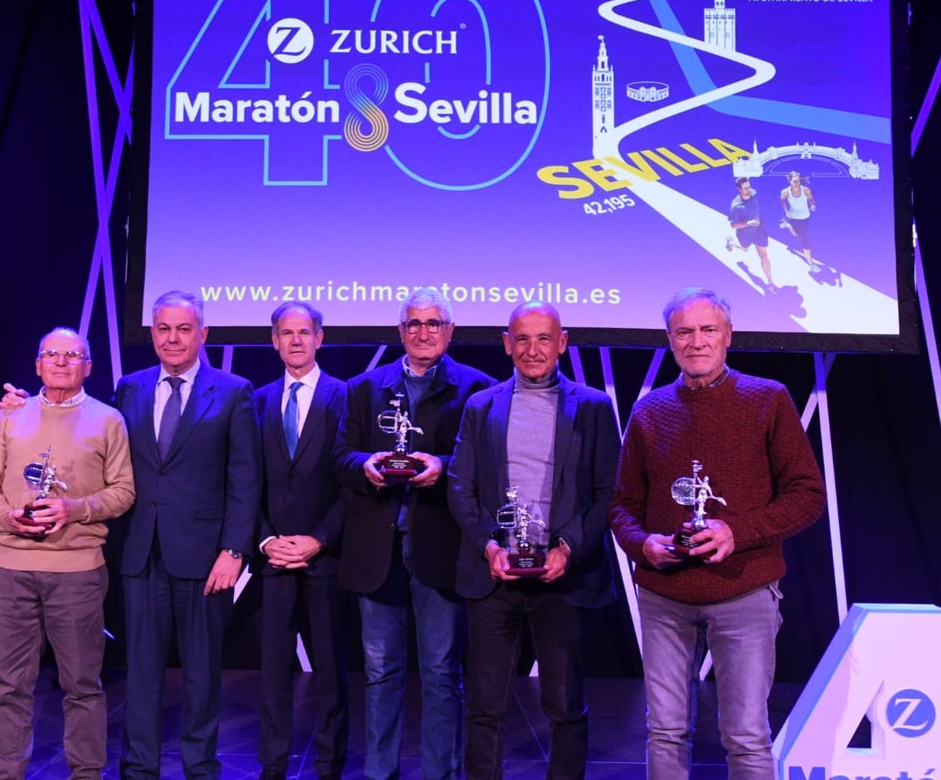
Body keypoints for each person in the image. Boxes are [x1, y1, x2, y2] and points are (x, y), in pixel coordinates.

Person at [610, 288, 825, 779]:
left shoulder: (767, 399)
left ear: (728, 336)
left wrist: (737, 531)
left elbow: (807, 494)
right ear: (670, 340)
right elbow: (622, 506)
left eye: (708, 330)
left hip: (744, 590)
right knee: (664, 732)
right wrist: (642, 544)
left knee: (747, 736)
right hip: (665, 594)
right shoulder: (649, 411)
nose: (697, 341)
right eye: (684, 331)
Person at [448, 302, 620, 780]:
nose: (532, 349)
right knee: (484, 705)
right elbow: (460, 485)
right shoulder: (481, 406)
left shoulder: (593, 407)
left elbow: (609, 491)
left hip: (564, 579)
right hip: (495, 577)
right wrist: (490, 546)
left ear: (562, 342)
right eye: (521, 339)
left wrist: (568, 549)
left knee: (564, 705)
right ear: (507, 345)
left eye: (544, 338)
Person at [334, 286, 494, 780]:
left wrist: (441, 467)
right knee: (380, 673)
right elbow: (341, 457)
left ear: (450, 331)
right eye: (414, 324)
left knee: (443, 674)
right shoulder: (364, 387)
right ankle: (380, 773)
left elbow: (486, 467)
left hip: (441, 548)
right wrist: (369, 465)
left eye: (434, 323)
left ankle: (440, 774)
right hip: (376, 550)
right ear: (400, 332)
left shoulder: (478, 388)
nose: (423, 333)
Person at [0, 328, 135, 780]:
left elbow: (123, 492)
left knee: (82, 684)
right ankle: (7, 773)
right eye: (52, 355)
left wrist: (74, 509)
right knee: (9, 684)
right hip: (13, 567)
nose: (62, 362)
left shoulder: (108, 420)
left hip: (77, 571)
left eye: (73, 355)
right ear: (38, 365)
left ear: (88, 367)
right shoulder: (11, 414)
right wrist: (7, 517)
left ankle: (86, 773)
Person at [114, 290, 261, 780]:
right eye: (163, 329)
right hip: (140, 552)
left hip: (205, 559)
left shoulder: (234, 391)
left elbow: (245, 478)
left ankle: (200, 768)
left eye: (183, 329)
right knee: (141, 674)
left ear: (203, 334)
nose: (172, 339)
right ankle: (138, 769)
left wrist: (233, 550)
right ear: (153, 333)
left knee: (201, 675)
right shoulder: (129, 388)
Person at [253, 302, 348, 780]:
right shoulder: (258, 400)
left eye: (304, 332)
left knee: (331, 676)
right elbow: (245, 481)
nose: (295, 341)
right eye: (286, 333)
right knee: (273, 676)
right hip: (273, 561)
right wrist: (267, 539)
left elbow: (353, 485)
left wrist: (318, 540)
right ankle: (272, 767)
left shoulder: (345, 396)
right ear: (274, 340)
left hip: (324, 560)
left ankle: (329, 767)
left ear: (319, 338)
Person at [724, 177, 777, 293]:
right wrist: (748, 223)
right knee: (745, 249)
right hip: (745, 233)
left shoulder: (754, 193)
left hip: (759, 229)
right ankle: (731, 243)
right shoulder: (736, 206)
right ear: (739, 189)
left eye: (749, 186)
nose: (749, 190)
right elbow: (733, 225)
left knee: (764, 256)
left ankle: (770, 281)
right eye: (745, 188)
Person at [779, 171, 821, 274]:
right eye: (794, 181)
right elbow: (782, 201)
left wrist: (812, 205)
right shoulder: (785, 192)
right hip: (793, 217)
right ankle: (811, 264)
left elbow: (811, 199)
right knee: (804, 240)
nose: (797, 183)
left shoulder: (806, 190)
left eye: (798, 181)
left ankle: (787, 225)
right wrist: (786, 211)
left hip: (805, 217)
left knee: (797, 234)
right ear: (790, 181)